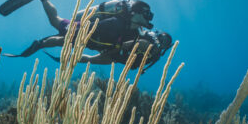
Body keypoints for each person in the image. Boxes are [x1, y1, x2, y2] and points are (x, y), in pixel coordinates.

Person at [0, 0, 155, 57]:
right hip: (80, 31)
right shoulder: (116, 23)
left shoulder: (132, 29)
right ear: (136, 13)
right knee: (56, 25)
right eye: (147, 14)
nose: (149, 18)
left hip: (87, 38)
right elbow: (93, 31)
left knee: (58, 28)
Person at [44, 29, 173, 73]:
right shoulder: (146, 42)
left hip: (119, 58)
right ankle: (55, 43)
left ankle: (64, 58)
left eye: (165, 44)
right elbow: (126, 45)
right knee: (89, 48)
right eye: (162, 40)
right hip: (116, 51)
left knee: (91, 60)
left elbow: (140, 66)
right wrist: (111, 51)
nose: (161, 44)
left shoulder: (156, 57)